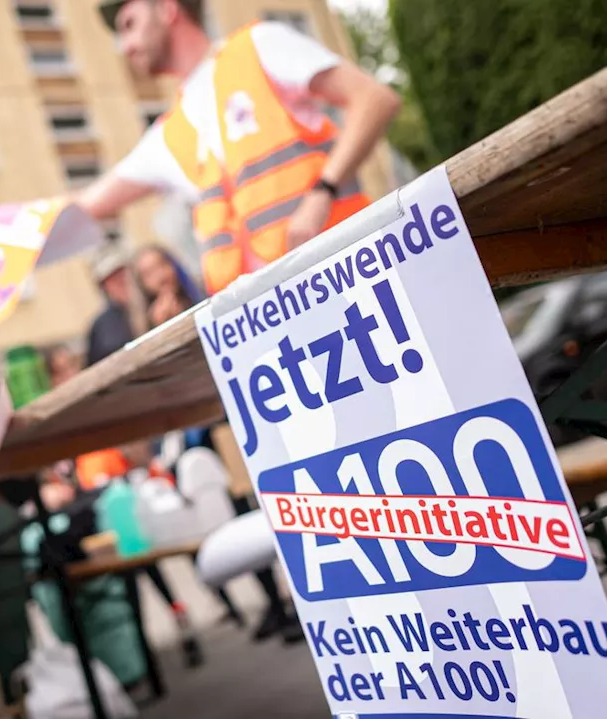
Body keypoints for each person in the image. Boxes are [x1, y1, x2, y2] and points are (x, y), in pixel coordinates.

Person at [83, 0, 401, 296]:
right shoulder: (168, 132)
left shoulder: (258, 47)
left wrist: (323, 190)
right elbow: (82, 206)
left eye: (129, 24)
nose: (126, 47)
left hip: (356, 275)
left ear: (167, 9)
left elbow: (374, 100)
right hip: (275, 319)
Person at [132, 245, 305, 643]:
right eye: (147, 271)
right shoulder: (147, 322)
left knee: (262, 502)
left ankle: (292, 597)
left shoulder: (202, 297)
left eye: (159, 263)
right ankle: (275, 604)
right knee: (235, 513)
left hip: (229, 418)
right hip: (200, 435)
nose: (157, 274)